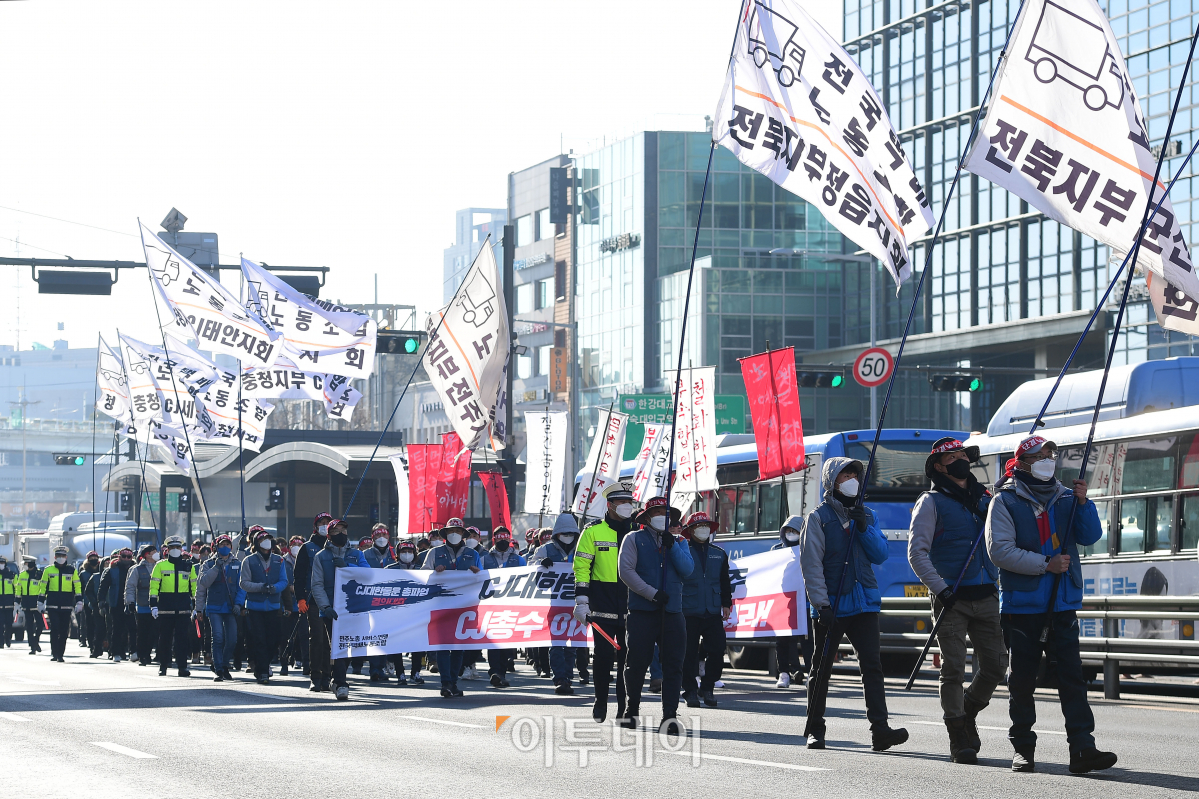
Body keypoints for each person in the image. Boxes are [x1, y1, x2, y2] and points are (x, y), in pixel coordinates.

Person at [985, 435, 1117, 775]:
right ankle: (1023, 750)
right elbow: (999, 551)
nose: (1048, 459)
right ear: (1023, 462)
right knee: (1022, 681)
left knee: (1073, 678)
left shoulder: (1065, 497)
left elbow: (1089, 536)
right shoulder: (1005, 500)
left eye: (1051, 454)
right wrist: (1045, 563)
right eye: (1040, 455)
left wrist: (1084, 502)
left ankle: (1083, 749)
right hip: (1023, 606)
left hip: (1062, 604)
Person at [908, 437, 1007, 764]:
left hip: (987, 594)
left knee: (996, 666)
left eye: (964, 454)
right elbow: (917, 554)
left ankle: (967, 711)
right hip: (951, 598)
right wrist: (941, 588)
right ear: (939, 466)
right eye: (954, 456)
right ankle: (957, 734)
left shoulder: (986, 497)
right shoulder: (930, 502)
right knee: (953, 669)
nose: (962, 458)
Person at [800, 457, 908, 752]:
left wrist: (863, 527)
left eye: (854, 474)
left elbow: (880, 554)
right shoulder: (818, 518)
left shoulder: (868, 515)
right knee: (821, 669)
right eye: (844, 474)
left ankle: (880, 730)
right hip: (831, 606)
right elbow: (811, 566)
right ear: (830, 481)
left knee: (872, 666)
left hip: (864, 604)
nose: (851, 479)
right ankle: (815, 729)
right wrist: (820, 605)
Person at [618, 495, 693, 734]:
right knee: (637, 663)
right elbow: (626, 572)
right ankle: (632, 709)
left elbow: (687, 570)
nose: (662, 517)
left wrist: (673, 547)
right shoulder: (633, 539)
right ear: (647, 517)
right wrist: (651, 593)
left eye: (666, 513)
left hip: (673, 612)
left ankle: (669, 715)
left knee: (674, 665)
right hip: (642, 611)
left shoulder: (679, 542)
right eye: (657, 512)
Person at [574, 483, 638, 723]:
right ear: (610, 505)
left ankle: (624, 708)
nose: (626, 507)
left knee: (629, 661)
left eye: (629, 503)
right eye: (621, 503)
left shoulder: (638, 531)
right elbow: (582, 568)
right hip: (602, 606)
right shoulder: (592, 532)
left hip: (634, 606)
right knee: (602, 657)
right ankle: (600, 701)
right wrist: (581, 601)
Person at [310, 518, 369, 701]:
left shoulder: (357, 555)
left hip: (353, 607)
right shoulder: (321, 556)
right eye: (337, 531)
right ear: (329, 535)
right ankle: (341, 683)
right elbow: (317, 584)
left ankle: (336, 677)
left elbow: (368, 575)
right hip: (332, 610)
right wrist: (325, 606)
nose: (342, 534)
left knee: (351, 645)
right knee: (338, 644)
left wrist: (348, 567)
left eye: (344, 530)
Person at [422, 517, 481, 698]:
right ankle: (445, 682)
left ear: (463, 534)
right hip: (440, 606)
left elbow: (483, 578)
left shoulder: (473, 554)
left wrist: (478, 573)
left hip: (464, 608)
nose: (454, 534)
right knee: (442, 647)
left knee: (458, 647)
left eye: (457, 531)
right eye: (450, 531)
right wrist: (434, 572)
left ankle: (453, 682)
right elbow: (422, 576)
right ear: (445, 533)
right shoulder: (434, 552)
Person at [679, 512, 731, 709]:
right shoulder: (682, 551)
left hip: (712, 610)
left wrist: (727, 603)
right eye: (699, 525)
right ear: (691, 530)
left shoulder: (719, 553)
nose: (704, 529)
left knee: (717, 650)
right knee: (688, 653)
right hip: (688, 610)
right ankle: (690, 690)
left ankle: (707, 688)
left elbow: (725, 581)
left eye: (706, 525)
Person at [239, 527, 289, 685]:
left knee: (273, 640)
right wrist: (260, 587)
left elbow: (284, 581)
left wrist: (275, 588)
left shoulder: (278, 560)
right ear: (256, 543)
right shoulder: (249, 560)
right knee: (259, 639)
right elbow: (244, 583)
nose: (265, 543)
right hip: (255, 607)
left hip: (274, 606)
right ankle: (261, 671)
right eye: (261, 540)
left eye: (267, 539)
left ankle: (265, 665)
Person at [536, 514, 580, 692]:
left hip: (577, 603)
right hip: (553, 604)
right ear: (557, 533)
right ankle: (560, 678)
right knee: (556, 644)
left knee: (572, 645)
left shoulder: (581, 548)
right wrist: (540, 563)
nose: (568, 536)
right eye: (565, 532)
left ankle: (568, 676)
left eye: (571, 532)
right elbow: (531, 568)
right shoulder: (546, 550)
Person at [480, 526, 525, 689]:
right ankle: (495, 672)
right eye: (500, 538)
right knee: (493, 641)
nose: (503, 541)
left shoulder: (519, 559)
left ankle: (502, 672)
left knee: (507, 643)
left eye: (506, 538)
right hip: (491, 605)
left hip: (511, 605)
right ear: (494, 539)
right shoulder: (485, 558)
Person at [771, 516, 810, 688]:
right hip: (784, 603)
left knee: (808, 641)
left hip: (805, 603)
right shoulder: (776, 551)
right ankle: (784, 673)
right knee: (782, 640)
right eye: (788, 531)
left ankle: (811, 673)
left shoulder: (809, 550)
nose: (791, 534)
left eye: (795, 531)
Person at [195, 534, 240, 681]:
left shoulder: (238, 563)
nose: (225, 547)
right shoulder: (208, 564)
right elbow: (203, 584)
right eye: (222, 545)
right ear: (216, 547)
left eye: (227, 545)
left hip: (231, 607)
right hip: (214, 607)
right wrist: (199, 609)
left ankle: (225, 663)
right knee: (218, 637)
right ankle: (219, 668)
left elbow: (242, 586)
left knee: (232, 639)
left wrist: (239, 604)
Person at [149, 536, 195, 677]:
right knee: (165, 639)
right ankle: (163, 665)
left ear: (181, 549)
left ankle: (182, 667)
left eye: (177, 547)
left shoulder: (188, 566)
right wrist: (153, 606)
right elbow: (154, 587)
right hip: (165, 608)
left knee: (182, 640)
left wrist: (196, 606)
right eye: (172, 548)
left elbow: (194, 586)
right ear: (167, 550)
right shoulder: (160, 566)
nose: (175, 550)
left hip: (183, 608)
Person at [384, 540, 421, 685]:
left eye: (410, 552)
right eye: (403, 552)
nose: (407, 554)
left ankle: (416, 672)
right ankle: (400, 673)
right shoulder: (389, 569)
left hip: (418, 611)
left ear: (414, 554)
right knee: (397, 643)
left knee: (418, 643)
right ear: (398, 554)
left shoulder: (422, 569)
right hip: (396, 612)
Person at [38, 546, 82, 663]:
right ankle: (55, 652)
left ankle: (60, 654)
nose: (61, 558)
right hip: (52, 605)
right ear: (55, 557)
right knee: (55, 628)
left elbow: (77, 586)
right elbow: (43, 587)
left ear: (66, 557)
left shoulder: (72, 570)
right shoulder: (48, 570)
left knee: (64, 630)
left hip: (67, 605)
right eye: (59, 556)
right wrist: (40, 602)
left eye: (63, 556)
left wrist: (79, 601)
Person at [125, 544, 158, 666]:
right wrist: (130, 602)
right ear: (147, 554)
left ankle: (149, 652)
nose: (156, 553)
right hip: (143, 606)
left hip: (157, 606)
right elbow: (130, 587)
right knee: (143, 632)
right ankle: (143, 656)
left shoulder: (159, 567)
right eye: (153, 552)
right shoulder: (137, 569)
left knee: (153, 633)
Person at [100, 548, 134, 662]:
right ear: (119, 557)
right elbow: (103, 586)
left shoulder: (135, 569)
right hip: (116, 603)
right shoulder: (112, 570)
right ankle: (115, 652)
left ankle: (133, 651)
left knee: (132, 629)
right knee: (116, 629)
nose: (126, 559)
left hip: (131, 603)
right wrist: (101, 601)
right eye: (123, 556)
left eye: (128, 557)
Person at [15, 557, 45, 654]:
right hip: (26, 603)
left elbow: (44, 589)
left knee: (40, 625)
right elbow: (18, 589)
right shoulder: (22, 574)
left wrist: (42, 601)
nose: (25, 565)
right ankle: (32, 646)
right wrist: (17, 601)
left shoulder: (39, 574)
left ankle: (36, 640)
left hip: (37, 603)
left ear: (31, 564)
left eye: (26, 563)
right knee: (29, 626)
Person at [79, 551, 104, 657]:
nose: (94, 559)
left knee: (99, 626)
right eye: (91, 558)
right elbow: (80, 589)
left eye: (95, 557)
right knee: (89, 625)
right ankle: (91, 645)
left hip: (99, 603)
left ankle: (100, 645)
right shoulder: (83, 574)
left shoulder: (102, 572)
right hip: (88, 603)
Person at [0, 556, 15, 647]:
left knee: (9, 623)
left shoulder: (11, 574)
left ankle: (8, 638)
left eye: (2, 563)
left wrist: (16, 600)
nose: (1, 565)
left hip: (9, 602)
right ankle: (1, 642)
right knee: (0, 624)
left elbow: (16, 587)